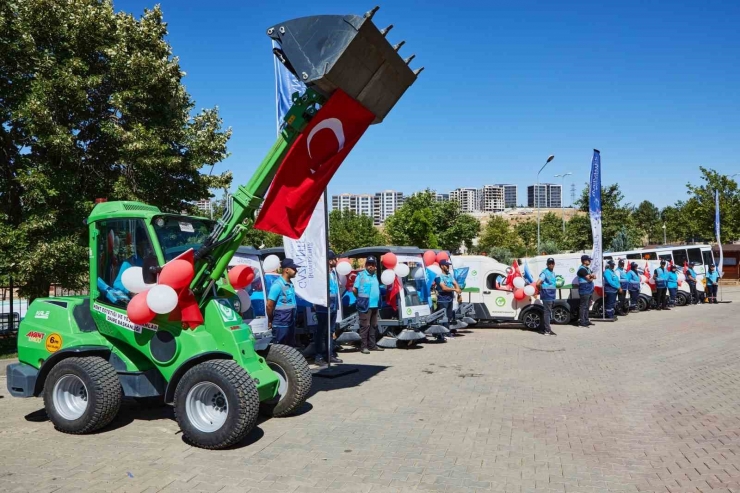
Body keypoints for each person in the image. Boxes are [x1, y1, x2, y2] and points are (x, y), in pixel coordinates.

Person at [313, 250, 342, 366]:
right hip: (323, 307)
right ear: (330, 261)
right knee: (321, 332)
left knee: (330, 332)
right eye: (335, 259)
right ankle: (318, 356)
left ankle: (329, 355)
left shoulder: (333, 272)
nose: (337, 261)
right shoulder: (322, 273)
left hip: (333, 305)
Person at [353, 256, 383, 354]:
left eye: (372, 264)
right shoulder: (361, 275)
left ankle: (372, 345)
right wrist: (359, 298)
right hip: (365, 305)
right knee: (365, 326)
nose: (370, 266)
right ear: (366, 265)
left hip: (375, 305)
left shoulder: (375, 276)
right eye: (369, 264)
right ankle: (363, 347)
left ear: (375, 266)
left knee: (373, 325)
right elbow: (354, 289)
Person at [267, 258, 299, 346]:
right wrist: (271, 320)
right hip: (280, 324)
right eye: (294, 269)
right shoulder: (277, 285)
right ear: (287, 270)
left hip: (290, 322)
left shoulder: (290, 284)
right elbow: (269, 305)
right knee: (279, 349)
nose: (296, 271)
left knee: (290, 349)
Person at [436, 259, 461, 342]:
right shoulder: (439, 277)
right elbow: (444, 288)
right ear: (442, 266)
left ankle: (447, 331)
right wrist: (455, 289)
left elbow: (455, 283)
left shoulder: (449, 275)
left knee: (449, 316)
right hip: (443, 299)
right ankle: (443, 333)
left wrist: (459, 293)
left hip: (450, 298)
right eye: (446, 265)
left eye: (449, 265)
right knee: (443, 317)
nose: (448, 267)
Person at [536, 257, 557, 336]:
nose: (551, 264)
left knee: (547, 312)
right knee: (547, 313)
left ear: (554, 264)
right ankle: (547, 330)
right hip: (547, 295)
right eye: (549, 263)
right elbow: (538, 283)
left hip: (551, 295)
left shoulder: (552, 272)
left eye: (552, 263)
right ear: (547, 264)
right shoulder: (544, 273)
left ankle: (544, 328)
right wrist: (540, 290)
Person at [577, 255, 596, 327]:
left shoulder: (587, 269)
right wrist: (591, 277)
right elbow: (589, 278)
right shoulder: (582, 269)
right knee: (583, 306)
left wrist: (592, 276)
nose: (590, 261)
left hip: (589, 289)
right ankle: (582, 322)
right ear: (584, 261)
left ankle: (586, 320)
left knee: (587, 305)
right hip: (584, 289)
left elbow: (594, 276)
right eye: (588, 260)